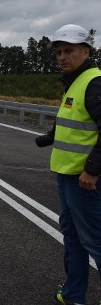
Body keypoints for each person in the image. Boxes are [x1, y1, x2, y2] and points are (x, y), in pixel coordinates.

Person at [36, 24, 101, 304]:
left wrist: (92, 170)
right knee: (73, 239)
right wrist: (50, 137)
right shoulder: (73, 80)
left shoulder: (94, 81)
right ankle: (73, 295)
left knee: (95, 241)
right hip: (66, 175)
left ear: (85, 51)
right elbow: (75, 120)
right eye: (59, 52)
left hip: (84, 179)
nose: (62, 56)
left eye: (69, 51)